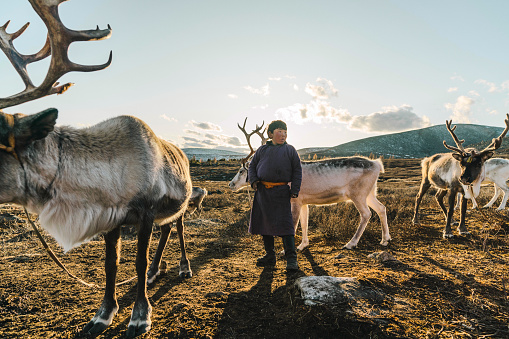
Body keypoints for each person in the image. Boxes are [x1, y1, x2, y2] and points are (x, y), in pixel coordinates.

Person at [248, 120, 302, 271]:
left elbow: (297, 171)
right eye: (279, 131)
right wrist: (253, 181)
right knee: (265, 224)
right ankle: (270, 256)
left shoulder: (290, 150)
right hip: (263, 192)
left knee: (286, 225)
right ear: (270, 134)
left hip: (281, 192)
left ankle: (291, 258)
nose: (283, 135)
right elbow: (252, 166)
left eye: (285, 132)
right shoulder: (261, 150)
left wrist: (295, 189)